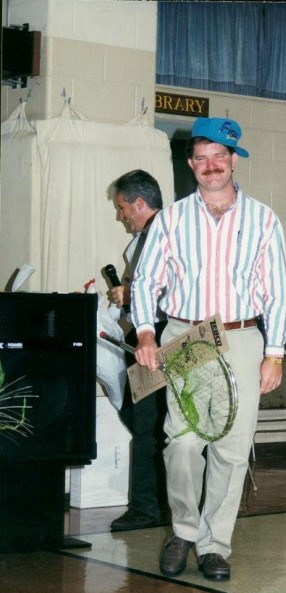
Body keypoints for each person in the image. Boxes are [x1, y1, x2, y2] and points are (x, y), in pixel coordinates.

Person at [130, 118, 286, 580]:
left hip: (242, 337)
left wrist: (274, 353)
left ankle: (214, 544)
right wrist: (144, 332)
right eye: (201, 158)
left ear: (234, 160)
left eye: (220, 156)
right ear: (191, 164)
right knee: (182, 443)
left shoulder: (263, 219)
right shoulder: (172, 218)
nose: (211, 166)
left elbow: (277, 292)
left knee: (232, 449)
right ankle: (182, 530)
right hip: (186, 335)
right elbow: (146, 281)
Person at [108, 169, 168, 532]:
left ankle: (148, 509)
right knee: (151, 423)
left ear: (140, 203)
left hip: (160, 337)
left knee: (148, 425)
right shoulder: (147, 239)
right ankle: (161, 504)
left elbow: (171, 289)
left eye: (123, 208)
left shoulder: (166, 234)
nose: (121, 215)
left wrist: (131, 295)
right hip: (153, 336)